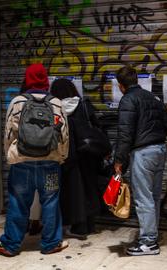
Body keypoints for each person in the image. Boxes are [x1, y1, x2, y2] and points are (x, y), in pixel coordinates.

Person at [0, 63, 69, 256]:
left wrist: (10, 156)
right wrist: (61, 157)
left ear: (27, 79)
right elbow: (64, 135)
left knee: (18, 202)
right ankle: (51, 243)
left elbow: (9, 133)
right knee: (51, 202)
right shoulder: (56, 103)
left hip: (22, 162)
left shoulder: (18, 101)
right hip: (50, 162)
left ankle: (10, 245)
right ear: (46, 80)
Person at [114, 66, 167, 256]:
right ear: (136, 79)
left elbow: (125, 133)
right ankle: (152, 235)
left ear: (121, 85)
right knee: (153, 197)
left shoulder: (128, 99)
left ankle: (148, 242)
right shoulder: (154, 98)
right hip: (160, 150)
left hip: (143, 153)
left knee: (143, 198)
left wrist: (119, 159)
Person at [50, 78, 111, 240]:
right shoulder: (84, 105)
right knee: (89, 188)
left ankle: (77, 226)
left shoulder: (54, 108)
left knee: (72, 191)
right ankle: (89, 225)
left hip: (67, 155)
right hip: (88, 153)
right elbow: (97, 127)